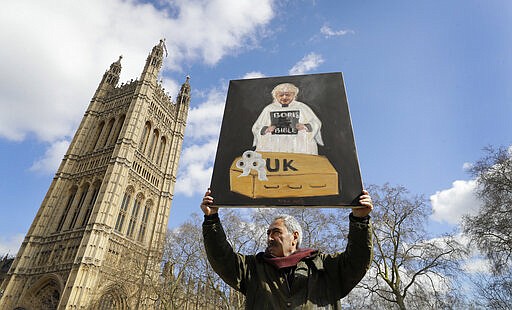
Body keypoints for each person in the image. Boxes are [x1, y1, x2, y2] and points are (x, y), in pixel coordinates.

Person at [201, 189, 373, 309]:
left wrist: (360, 221)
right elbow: (222, 258)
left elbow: (357, 261)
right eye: (268, 233)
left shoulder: (325, 267)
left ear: (295, 236)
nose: (269, 238)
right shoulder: (253, 268)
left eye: (276, 232)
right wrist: (211, 219)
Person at [251, 83, 324, 155]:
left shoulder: (302, 107)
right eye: (281, 95)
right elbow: (256, 127)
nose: (284, 97)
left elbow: (316, 123)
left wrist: (305, 126)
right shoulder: (269, 109)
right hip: (275, 146)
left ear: (294, 95)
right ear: (275, 96)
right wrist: (266, 129)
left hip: (298, 147)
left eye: (288, 95)